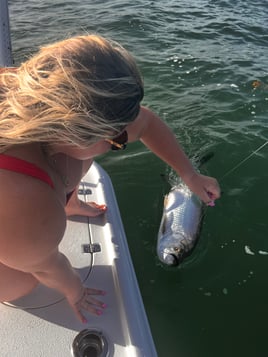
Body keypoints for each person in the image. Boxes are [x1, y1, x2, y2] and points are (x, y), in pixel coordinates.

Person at [0, 34, 220, 323]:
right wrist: (74, 289)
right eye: (118, 139)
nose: (125, 136)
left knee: (81, 157)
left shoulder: (45, 94)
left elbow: (145, 123)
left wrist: (189, 174)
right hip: (17, 222)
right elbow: (45, 266)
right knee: (21, 283)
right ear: (74, 131)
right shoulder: (29, 208)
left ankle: (71, 200)